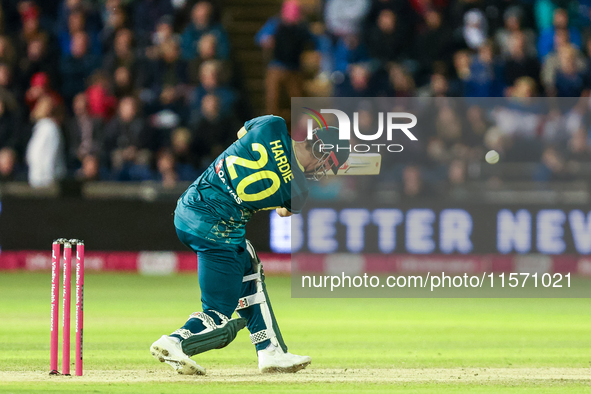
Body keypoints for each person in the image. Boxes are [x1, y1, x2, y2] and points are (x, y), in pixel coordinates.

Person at [150, 115, 349, 374]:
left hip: (188, 208)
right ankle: (175, 341)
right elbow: (283, 212)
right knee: (218, 313)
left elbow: (241, 133)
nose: (320, 173)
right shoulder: (298, 192)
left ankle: (270, 350)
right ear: (321, 150)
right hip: (216, 230)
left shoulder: (272, 125)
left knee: (249, 264)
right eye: (325, 164)